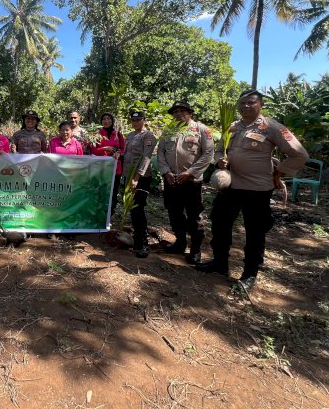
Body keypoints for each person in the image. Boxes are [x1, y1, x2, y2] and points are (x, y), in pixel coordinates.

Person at [197, 90, 308, 292]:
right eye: (243, 103)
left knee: (255, 232)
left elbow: (299, 155)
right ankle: (220, 263)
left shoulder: (272, 127)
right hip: (230, 187)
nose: (246, 106)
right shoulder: (232, 127)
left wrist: (279, 171)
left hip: (257, 189)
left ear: (261, 105)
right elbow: (220, 150)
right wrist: (220, 160)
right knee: (221, 225)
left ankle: (249, 274)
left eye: (251, 103)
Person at [156, 101, 214, 264]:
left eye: (182, 111)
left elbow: (208, 153)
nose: (178, 114)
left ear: (190, 113)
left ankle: (195, 250)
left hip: (191, 181)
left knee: (194, 215)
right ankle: (180, 243)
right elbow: (160, 152)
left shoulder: (201, 129)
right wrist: (165, 171)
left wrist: (190, 173)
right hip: (171, 179)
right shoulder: (169, 130)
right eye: (175, 111)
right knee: (174, 212)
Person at [123, 110, 157, 258]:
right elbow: (127, 155)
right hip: (128, 176)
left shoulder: (148, 136)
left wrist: (137, 177)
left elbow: (146, 158)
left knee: (138, 208)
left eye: (138, 120)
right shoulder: (130, 135)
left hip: (140, 178)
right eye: (133, 120)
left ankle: (143, 243)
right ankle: (136, 238)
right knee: (132, 208)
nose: (135, 123)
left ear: (144, 120)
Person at [90, 112, 125, 213]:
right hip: (101, 167)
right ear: (101, 121)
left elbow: (123, 149)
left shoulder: (118, 134)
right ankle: (99, 211)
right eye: (104, 119)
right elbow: (93, 150)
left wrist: (118, 153)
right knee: (100, 190)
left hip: (115, 167)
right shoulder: (96, 134)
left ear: (112, 121)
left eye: (108, 119)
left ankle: (110, 213)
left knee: (113, 191)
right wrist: (104, 148)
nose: (106, 121)